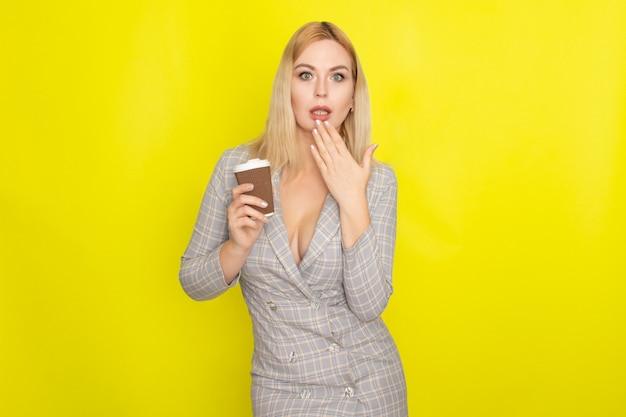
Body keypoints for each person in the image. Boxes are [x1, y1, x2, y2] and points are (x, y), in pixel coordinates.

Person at [179, 21, 407, 416]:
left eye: (337, 77)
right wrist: (237, 246)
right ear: (286, 87)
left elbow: (369, 305)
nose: (321, 91)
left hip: (366, 388)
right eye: (306, 75)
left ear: (353, 95)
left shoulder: (374, 180)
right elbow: (193, 284)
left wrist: (353, 199)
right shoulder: (247, 169)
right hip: (281, 392)